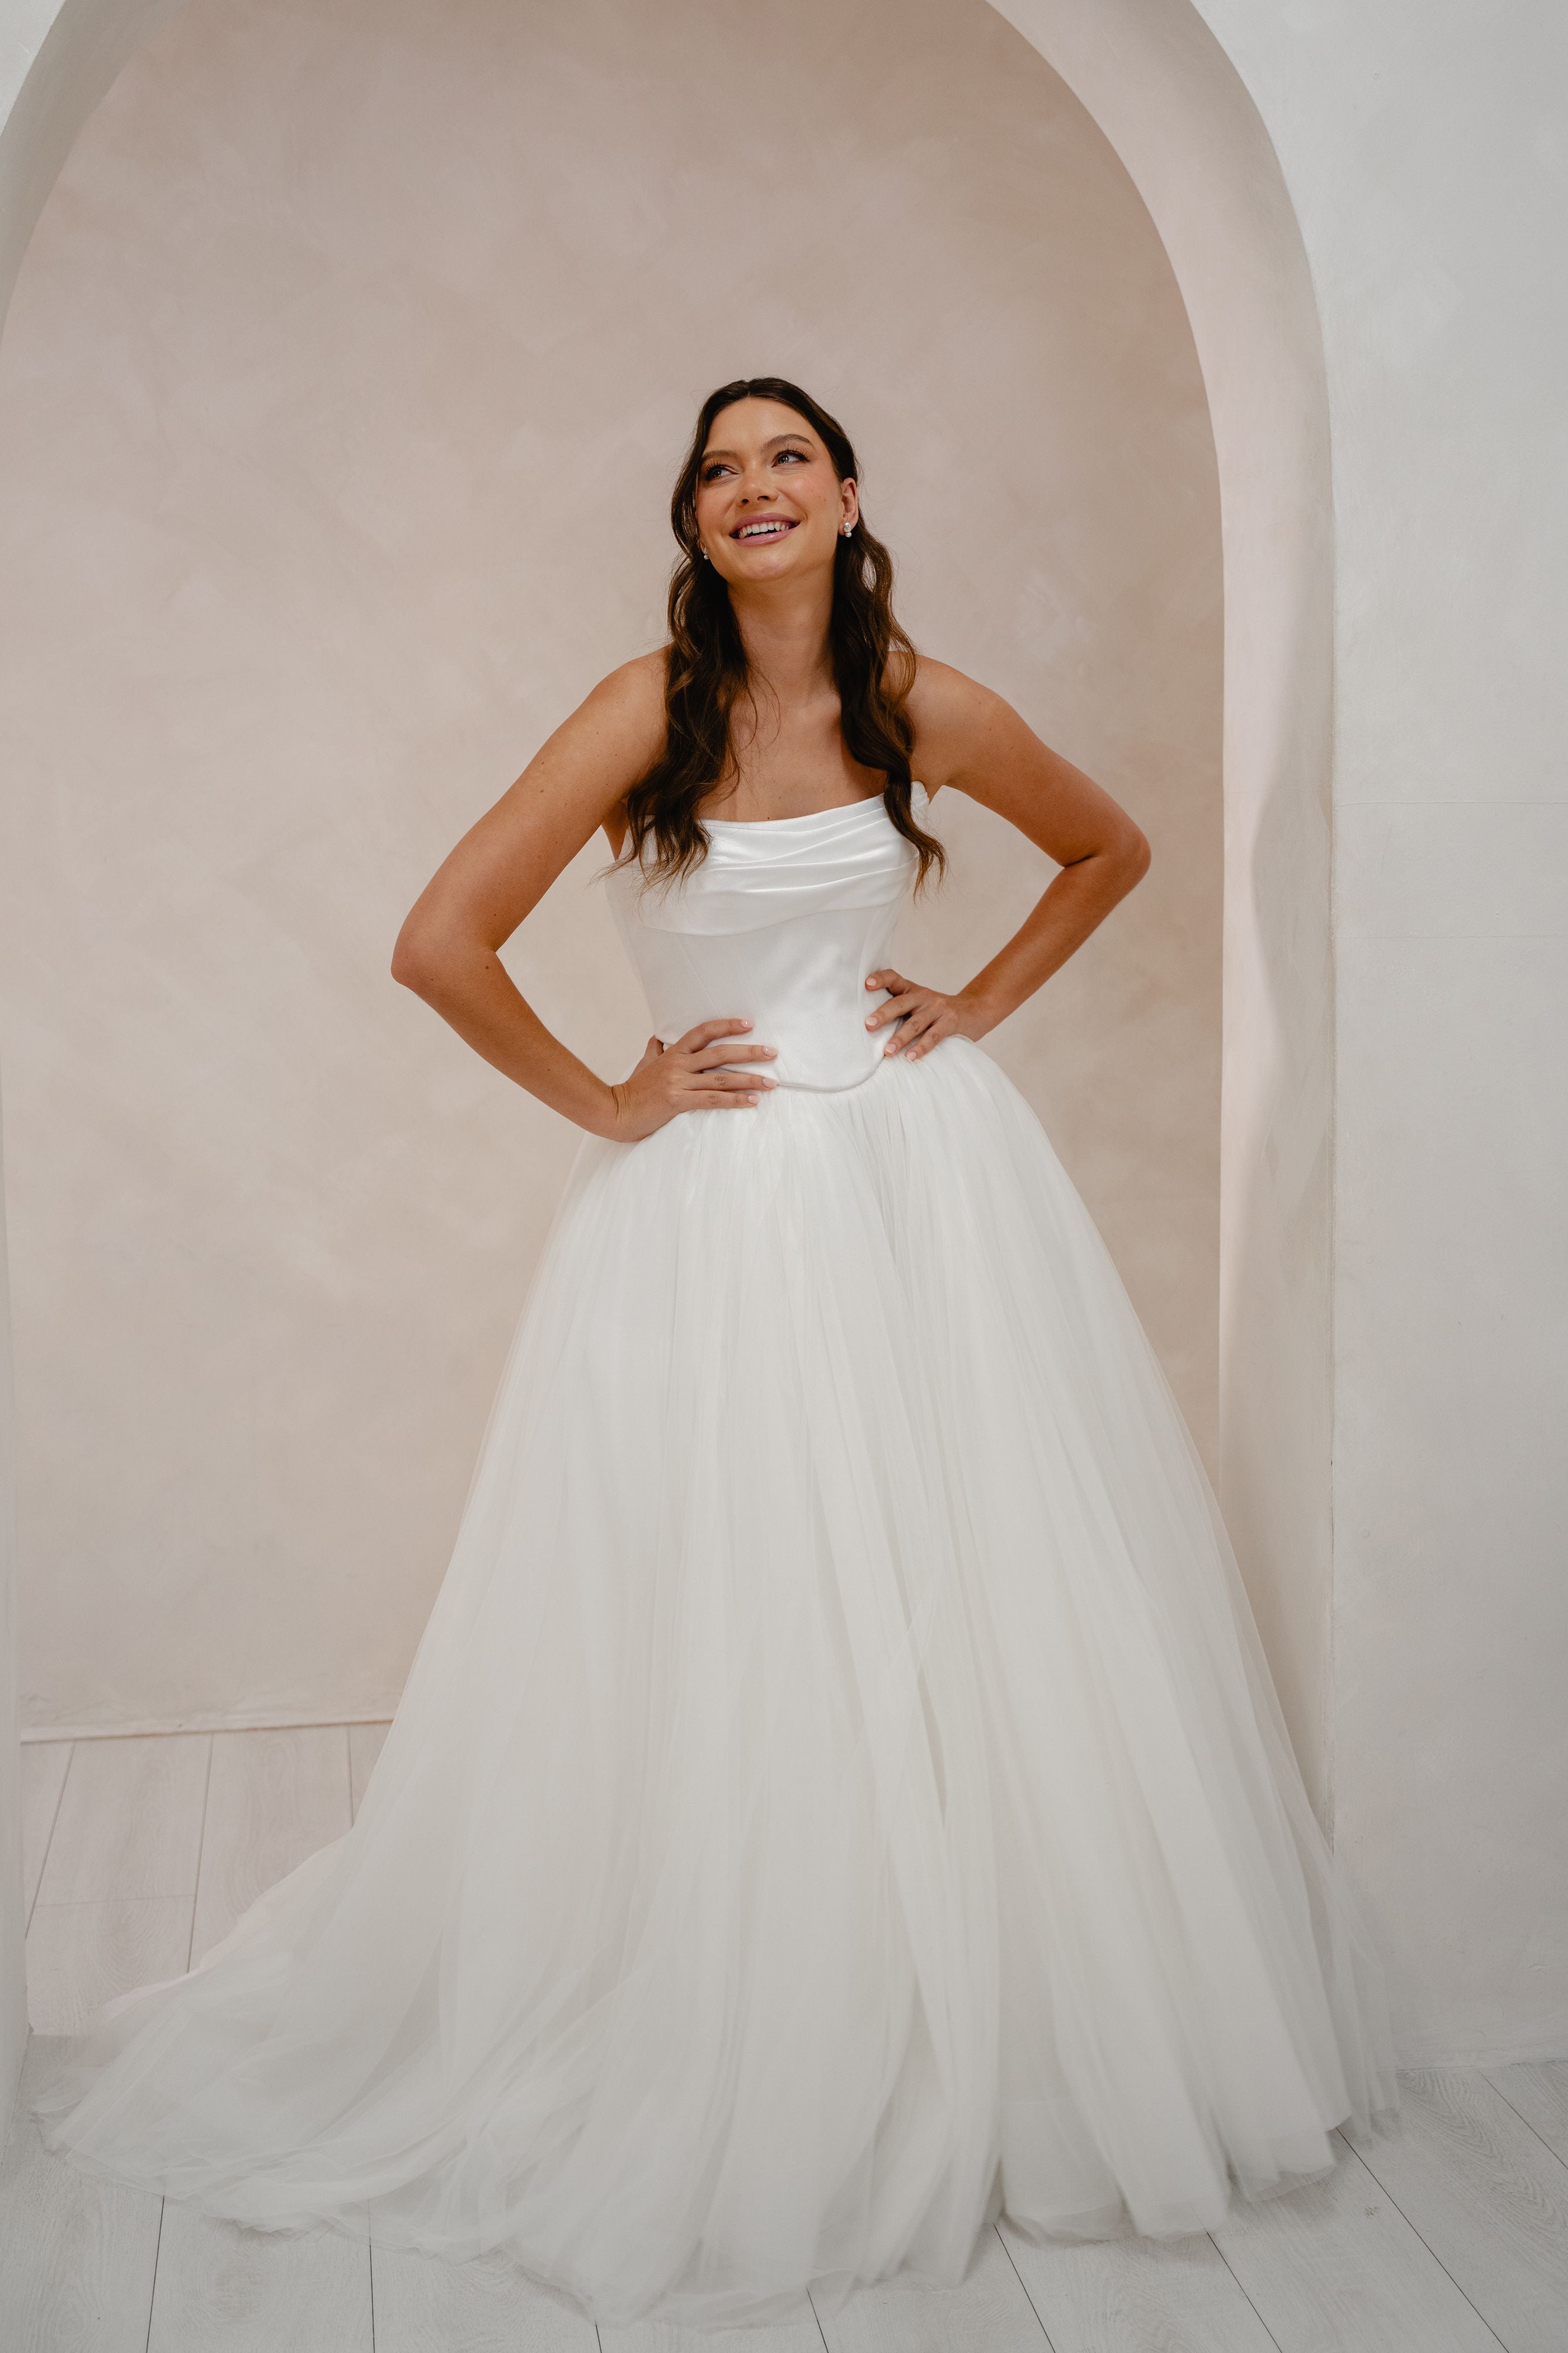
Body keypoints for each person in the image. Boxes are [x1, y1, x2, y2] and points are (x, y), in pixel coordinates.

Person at [34, 376, 1399, 2332]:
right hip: (716, 1217)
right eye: (717, 468)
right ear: (692, 521)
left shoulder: (924, 699)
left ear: (847, 497)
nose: (752, 487)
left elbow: (1110, 850)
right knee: (735, 1607)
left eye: (787, 458)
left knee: (957, 1596)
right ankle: (727, 2005)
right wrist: (611, 1099)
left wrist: (974, 1006)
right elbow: (441, 939)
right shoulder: (641, 711)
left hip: (926, 1196)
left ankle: (950, 2003)